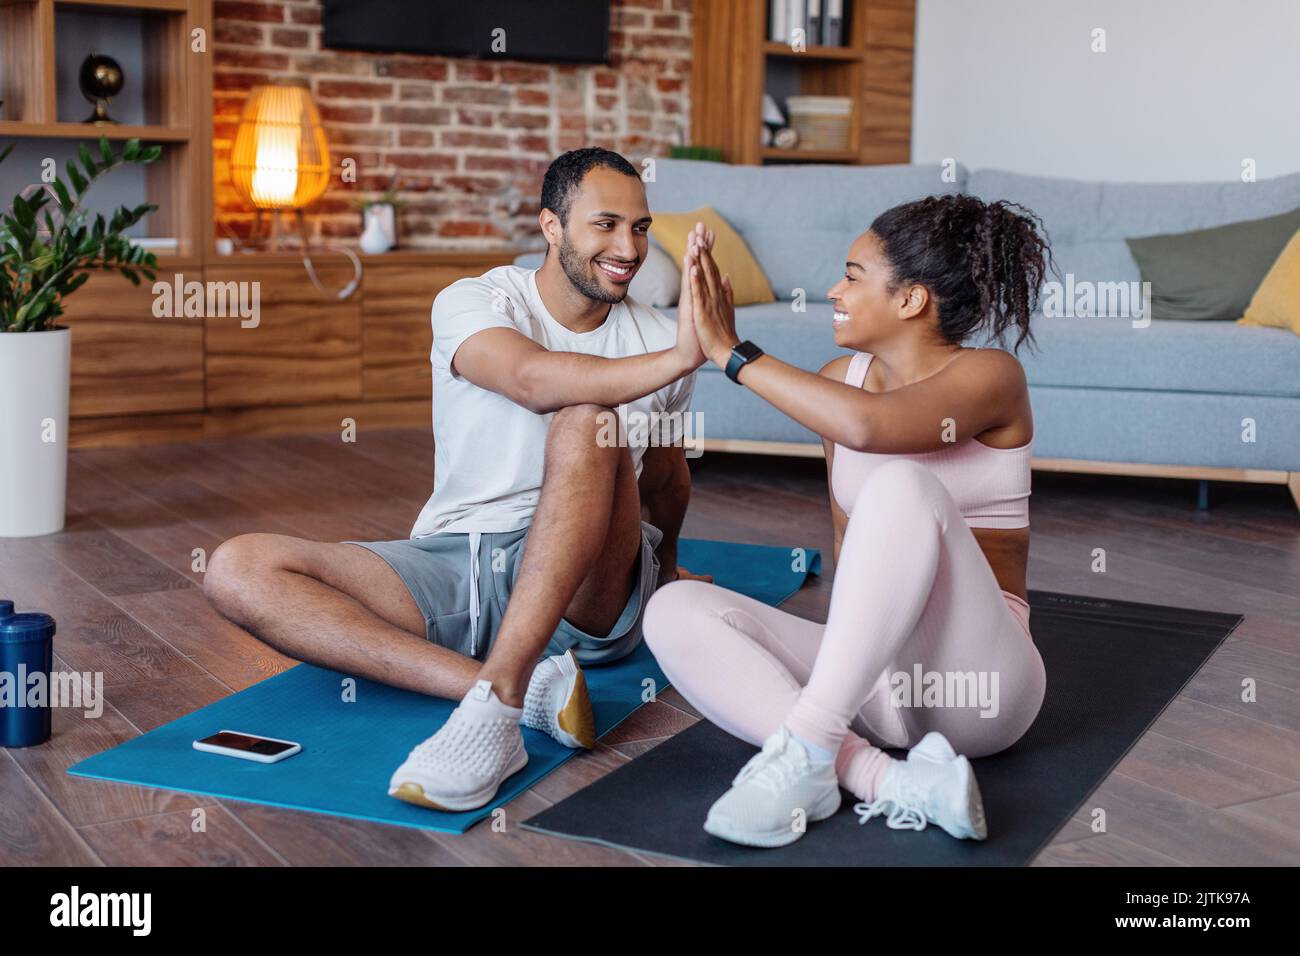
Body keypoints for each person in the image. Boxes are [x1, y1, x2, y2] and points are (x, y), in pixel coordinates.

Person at [203, 148, 711, 812]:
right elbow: (531, 381)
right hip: (457, 560)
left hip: (588, 595)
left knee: (588, 423)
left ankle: (493, 712)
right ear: (551, 228)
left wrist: (666, 564)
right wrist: (679, 354)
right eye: (606, 225)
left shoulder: (658, 337)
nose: (628, 247)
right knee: (236, 567)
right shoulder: (475, 300)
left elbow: (667, 481)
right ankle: (522, 691)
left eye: (640, 227)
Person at [641, 195, 1053, 847]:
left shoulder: (991, 376)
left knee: (899, 485)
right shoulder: (842, 381)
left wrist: (732, 351)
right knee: (672, 607)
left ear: (912, 300)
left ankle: (805, 748)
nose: (833, 291)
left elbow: (870, 429)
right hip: (872, 697)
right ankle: (885, 781)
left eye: (853, 277)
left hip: (981, 690)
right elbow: (846, 542)